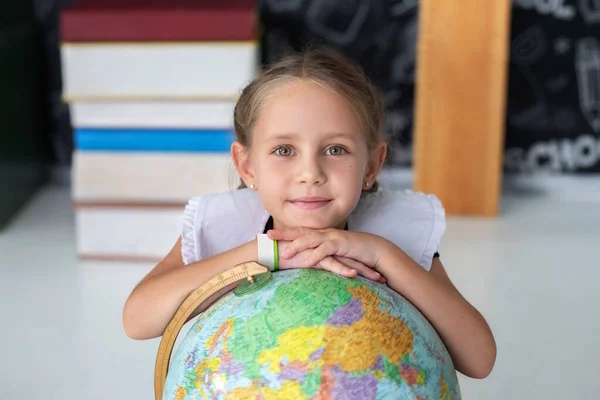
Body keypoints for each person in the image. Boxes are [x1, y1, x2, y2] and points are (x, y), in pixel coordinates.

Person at [123, 49, 496, 379]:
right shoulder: (222, 225)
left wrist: (382, 254)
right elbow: (137, 320)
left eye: (335, 150)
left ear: (372, 165)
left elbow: (479, 359)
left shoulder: (395, 229)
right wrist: (264, 254)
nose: (310, 173)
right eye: (284, 150)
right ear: (247, 165)